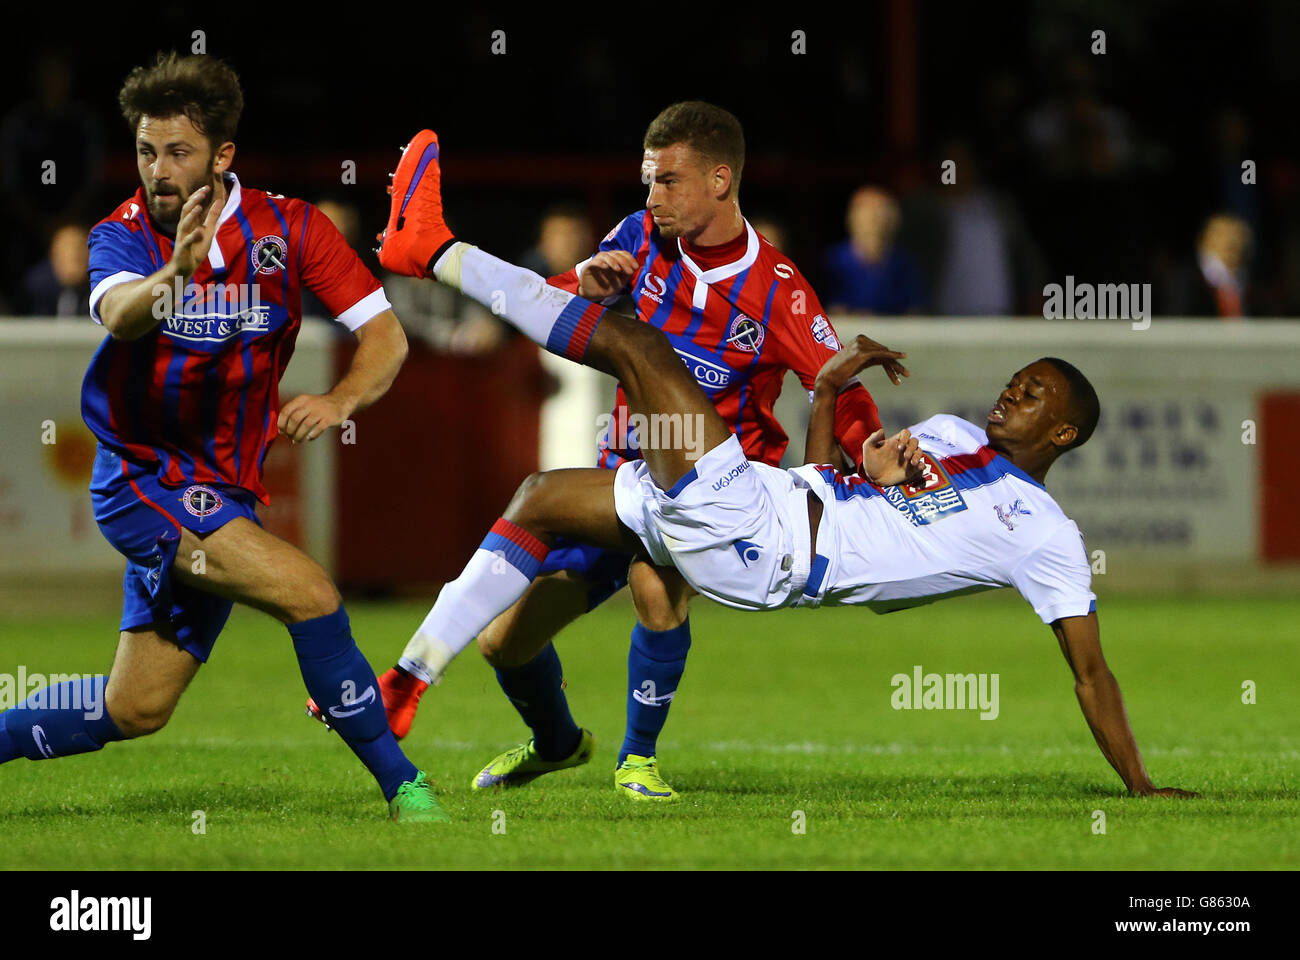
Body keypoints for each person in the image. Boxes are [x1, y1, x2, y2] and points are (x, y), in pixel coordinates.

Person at [370, 128, 1197, 799]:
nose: (1012, 393)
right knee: (535, 515)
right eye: (1018, 380)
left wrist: (1142, 786)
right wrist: (837, 409)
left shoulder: (1042, 529)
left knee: (639, 375)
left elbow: (1091, 672)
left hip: (748, 521)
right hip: (741, 491)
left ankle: (432, 249)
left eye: (1033, 395)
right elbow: (834, 479)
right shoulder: (946, 433)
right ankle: (424, 689)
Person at [330, 106, 889, 804]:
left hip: (714, 490)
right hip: (624, 476)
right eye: (648, 180)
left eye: (668, 182)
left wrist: (872, 446)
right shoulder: (637, 238)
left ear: (721, 180)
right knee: (503, 643)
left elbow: (836, 380)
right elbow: (553, 316)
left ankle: (637, 758)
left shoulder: (777, 288)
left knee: (656, 586)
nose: (652, 198)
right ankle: (559, 744)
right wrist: (585, 283)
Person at [0, 52, 447, 823]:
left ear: (222, 156)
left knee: (133, 708)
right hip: (142, 483)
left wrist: (341, 397)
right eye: (146, 151)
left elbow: (386, 336)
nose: (159, 171)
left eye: (178, 152)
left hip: (221, 491)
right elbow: (119, 315)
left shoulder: (290, 228)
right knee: (311, 595)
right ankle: (406, 789)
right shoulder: (125, 236)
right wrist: (175, 271)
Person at [822, 186, 926, 314]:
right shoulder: (835, 260)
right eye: (867, 211)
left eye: (882, 211)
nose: (876, 218)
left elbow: (915, 309)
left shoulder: (904, 262)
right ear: (852, 217)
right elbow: (832, 307)